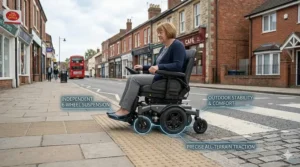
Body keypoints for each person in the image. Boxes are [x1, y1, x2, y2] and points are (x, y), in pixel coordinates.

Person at [107, 22, 186, 120]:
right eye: (158, 32)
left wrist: (159, 67)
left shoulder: (177, 45)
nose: (158, 35)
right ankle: (123, 108)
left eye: (161, 32)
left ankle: (126, 111)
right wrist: (143, 67)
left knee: (134, 79)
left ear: (168, 31)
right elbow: (154, 66)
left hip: (167, 79)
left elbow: (178, 65)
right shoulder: (163, 48)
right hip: (159, 77)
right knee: (131, 77)